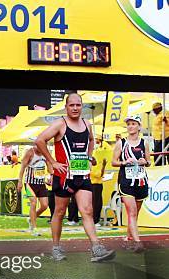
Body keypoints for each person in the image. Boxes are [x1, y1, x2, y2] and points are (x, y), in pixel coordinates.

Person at [35, 92, 115, 262]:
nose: (75, 108)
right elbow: (40, 140)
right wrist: (52, 162)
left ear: (82, 106)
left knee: (87, 210)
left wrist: (88, 155)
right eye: (71, 105)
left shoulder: (87, 124)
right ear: (66, 107)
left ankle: (96, 248)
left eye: (78, 105)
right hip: (63, 177)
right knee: (59, 211)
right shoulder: (60, 124)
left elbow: (91, 140)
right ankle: (56, 247)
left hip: (82, 175)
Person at [112, 115, 150, 253]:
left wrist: (144, 161)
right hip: (126, 182)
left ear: (139, 126)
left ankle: (128, 237)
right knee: (132, 212)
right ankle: (137, 242)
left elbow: (149, 161)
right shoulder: (121, 143)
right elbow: (113, 161)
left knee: (135, 213)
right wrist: (124, 162)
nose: (131, 126)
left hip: (141, 182)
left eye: (133, 124)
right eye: (128, 124)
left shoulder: (144, 142)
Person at [17, 146, 51, 236]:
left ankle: (31, 218)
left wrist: (50, 177)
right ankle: (34, 228)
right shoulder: (30, 152)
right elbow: (22, 168)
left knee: (44, 205)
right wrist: (20, 181)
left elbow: (49, 166)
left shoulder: (45, 152)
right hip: (29, 183)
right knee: (33, 202)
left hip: (41, 183)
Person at [91, 134, 112, 226]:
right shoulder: (90, 167)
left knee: (98, 203)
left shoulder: (97, 165)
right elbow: (99, 174)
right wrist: (103, 166)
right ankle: (94, 220)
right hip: (94, 185)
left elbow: (101, 174)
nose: (94, 160)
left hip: (99, 185)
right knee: (95, 203)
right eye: (93, 159)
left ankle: (96, 219)